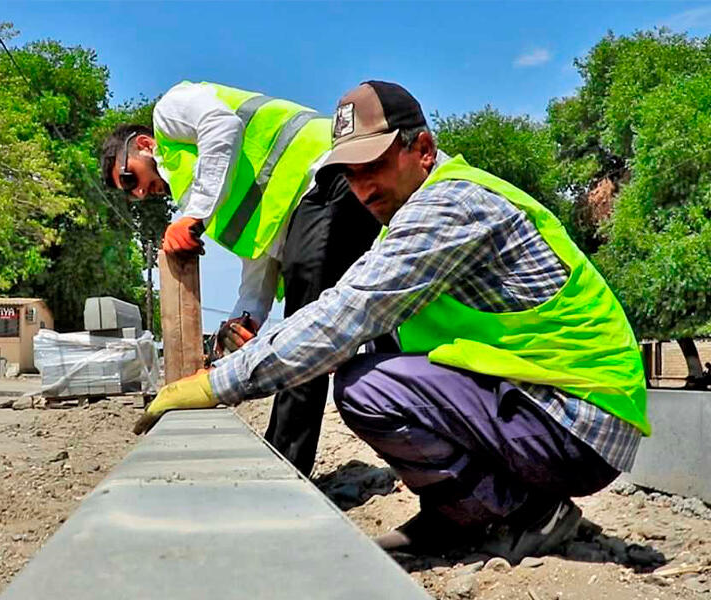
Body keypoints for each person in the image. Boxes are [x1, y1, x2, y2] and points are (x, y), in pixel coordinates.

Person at [136, 81, 649, 562]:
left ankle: (526, 511)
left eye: (374, 165)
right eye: (350, 174)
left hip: (578, 424)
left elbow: (342, 318)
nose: (362, 187)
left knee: (368, 386)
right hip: (556, 408)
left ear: (422, 149)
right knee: (382, 355)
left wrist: (213, 385)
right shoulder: (408, 215)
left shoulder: (447, 207)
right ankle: (464, 510)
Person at [102, 81, 380, 476]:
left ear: (145, 145)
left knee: (305, 333)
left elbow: (223, 126)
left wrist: (194, 215)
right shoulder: (202, 186)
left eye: (130, 178)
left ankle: (284, 469)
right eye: (130, 194)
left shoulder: (169, 113)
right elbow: (261, 250)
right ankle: (284, 458)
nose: (140, 193)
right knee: (312, 326)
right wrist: (246, 316)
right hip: (312, 201)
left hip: (325, 172)